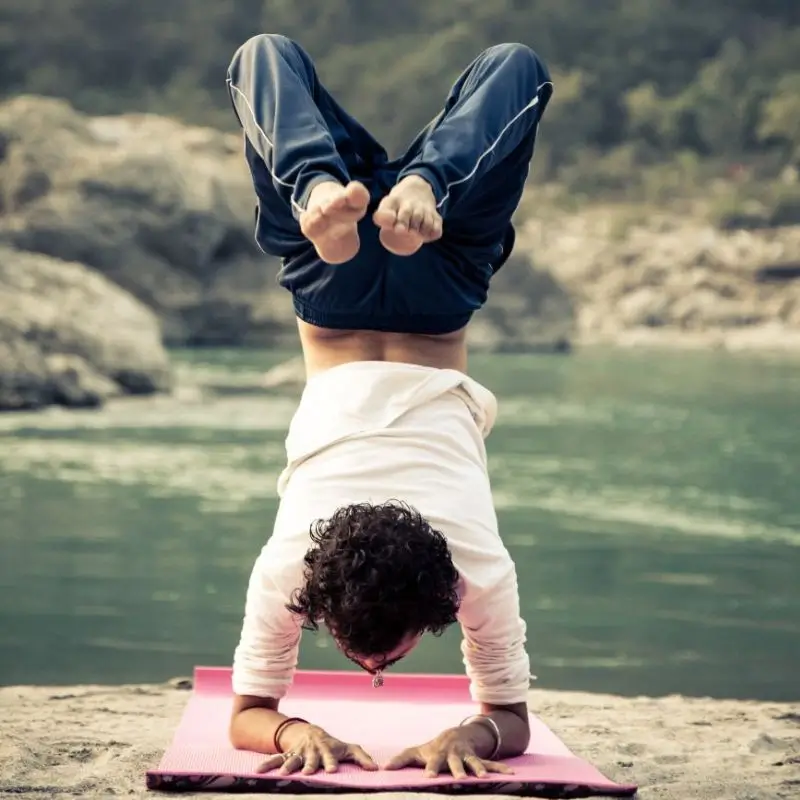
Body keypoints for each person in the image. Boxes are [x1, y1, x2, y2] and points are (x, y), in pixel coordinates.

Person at [224, 33, 553, 781]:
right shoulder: (284, 568)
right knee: (262, 55)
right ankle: (328, 187)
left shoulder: (480, 571)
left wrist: (293, 733)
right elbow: (247, 716)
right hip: (330, 294)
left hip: (438, 295)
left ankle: (416, 186)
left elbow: (512, 723)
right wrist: (287, 727)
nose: (373, 664)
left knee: (516, 70)